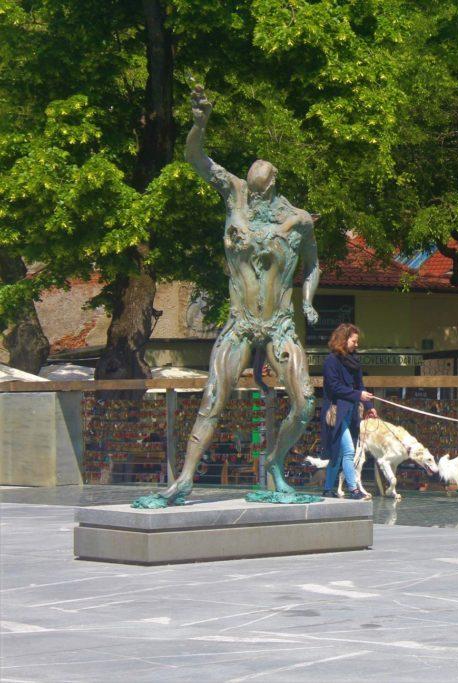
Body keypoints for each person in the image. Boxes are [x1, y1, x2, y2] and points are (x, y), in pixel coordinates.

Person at [133, 85, 320, 508]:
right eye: (249, 191)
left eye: (259, 191)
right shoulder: (233, 191)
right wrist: (199, 125)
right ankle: (182, 482)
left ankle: (274, 462)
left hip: (278, 324)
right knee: (213, 400)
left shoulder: (299, 220)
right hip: (239, 323)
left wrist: (308, 298)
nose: (252, 197)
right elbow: (196, 159)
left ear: (273, 185)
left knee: (305, 403)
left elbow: (313, 266)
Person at [321, 323, 377, 500]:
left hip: (351, 411)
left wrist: (369, 407)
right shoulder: (331, 360)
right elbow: (335, 387)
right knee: (349, 451)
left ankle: (328, 488)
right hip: (336, 412)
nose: (357, 344)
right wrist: (358, 394)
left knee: (338, 453)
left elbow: (360, 385)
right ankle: (354, 490)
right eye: (354, 341)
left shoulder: (354, 360)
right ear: (343, 340)